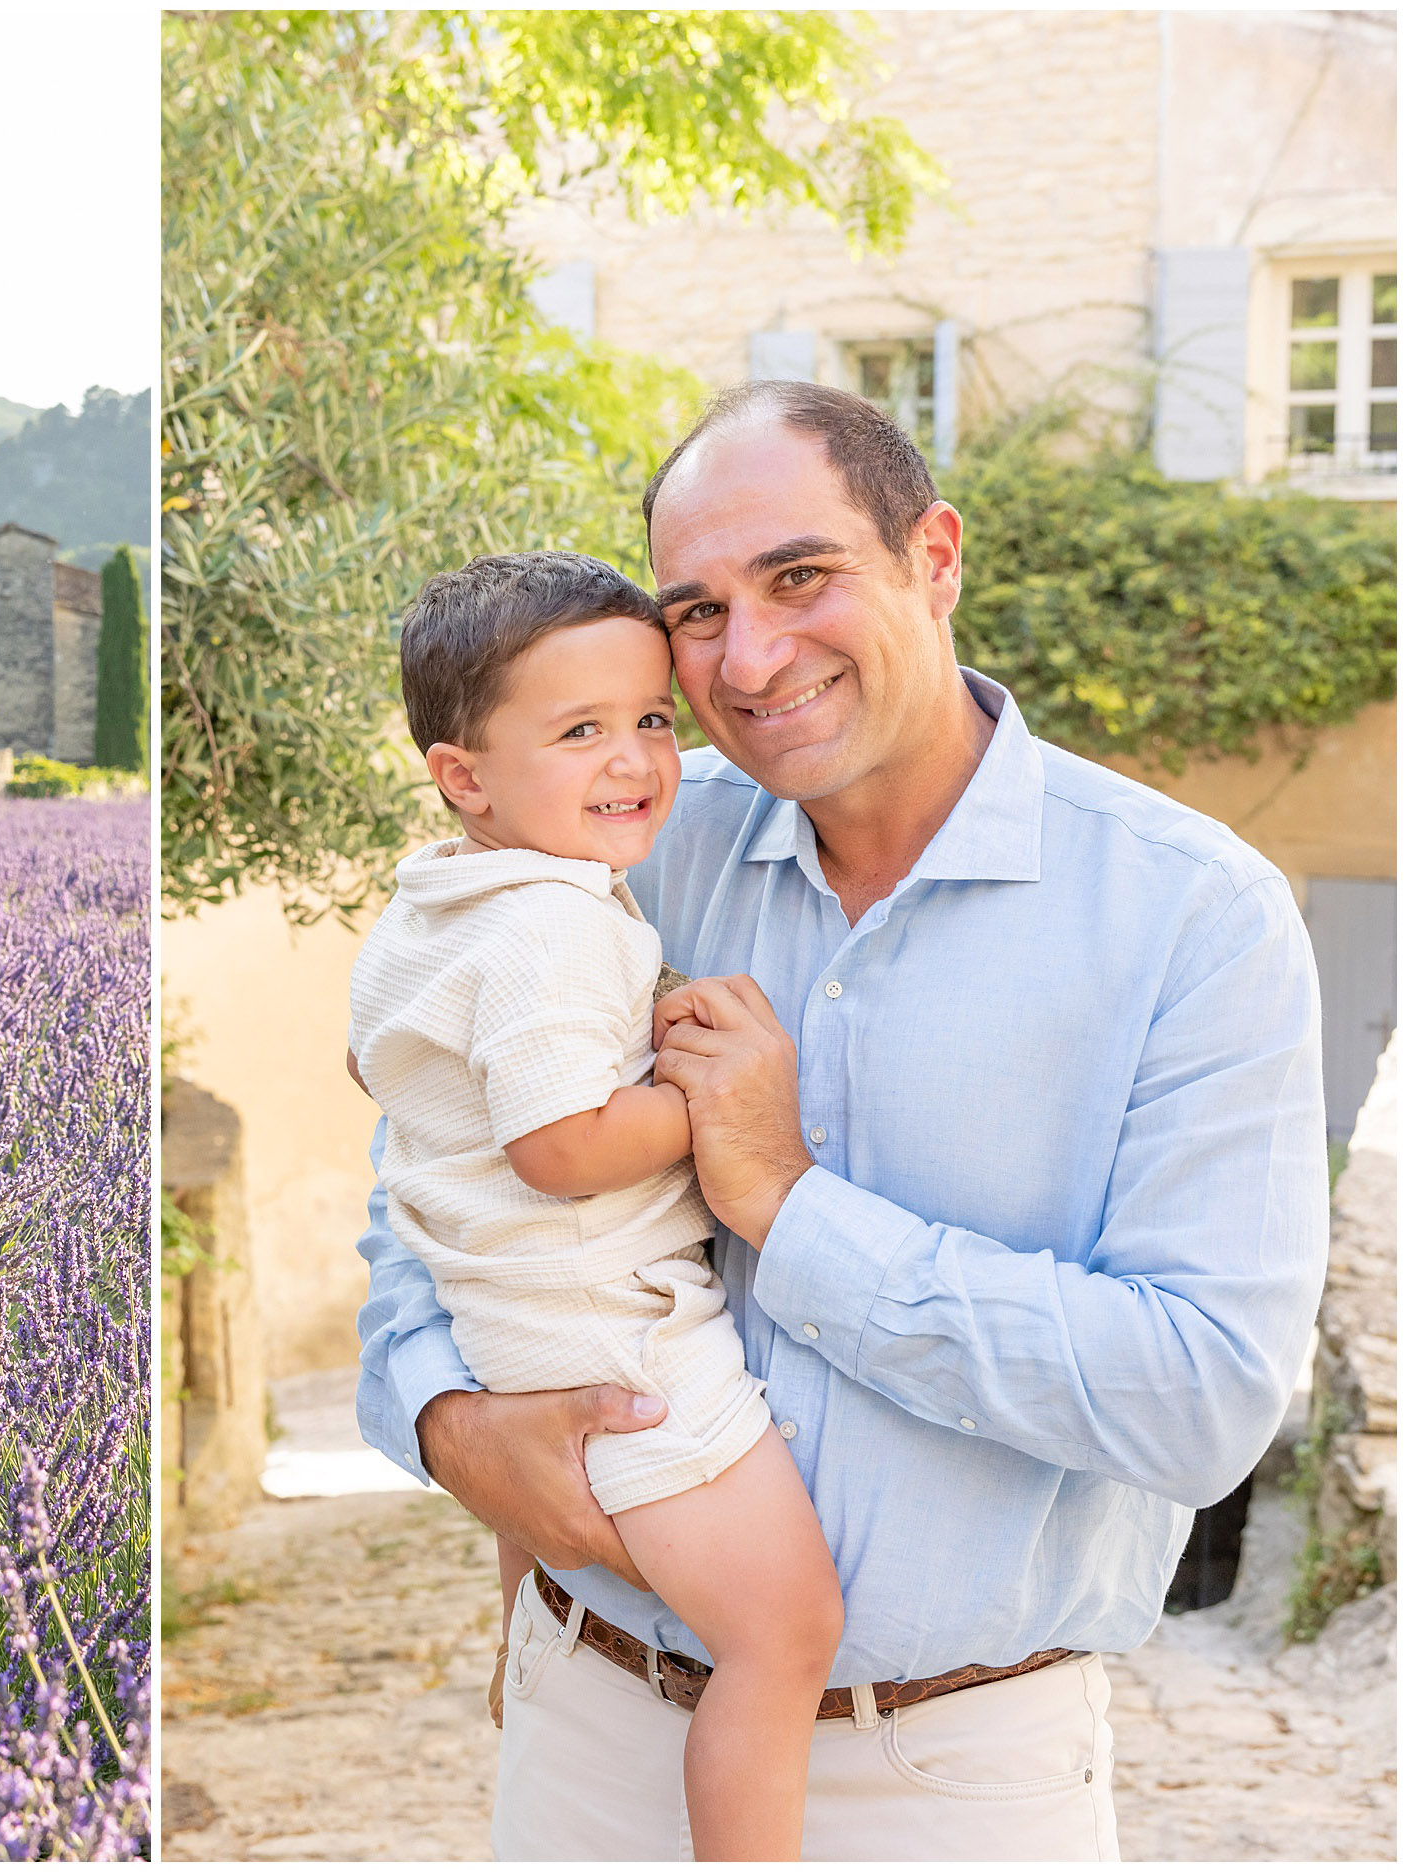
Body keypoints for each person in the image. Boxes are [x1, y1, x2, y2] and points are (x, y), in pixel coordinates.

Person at [352, 381, 1328, 1861]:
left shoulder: (1194, 917)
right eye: (698, 608)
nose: (748, 657)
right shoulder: (625, 841)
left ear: (935, 559)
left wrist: (788, 1206)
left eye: (800, 576)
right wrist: (443, 1415)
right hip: (588, 1716)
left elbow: (1198, 1400)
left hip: (955, 1776)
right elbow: (433, 1169)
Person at [347, 551, 841, 1860]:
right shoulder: (558, 923)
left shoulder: (430, 900)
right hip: (618, 1340)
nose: (634, 760)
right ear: (465, 776)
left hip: (519, 1322)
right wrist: (711, 1103)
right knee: (785, 1634)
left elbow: (376, 1063)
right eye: (580, 732)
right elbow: (563, 1147)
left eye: (649, 721)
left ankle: (534, 1680)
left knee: (560, 1560)